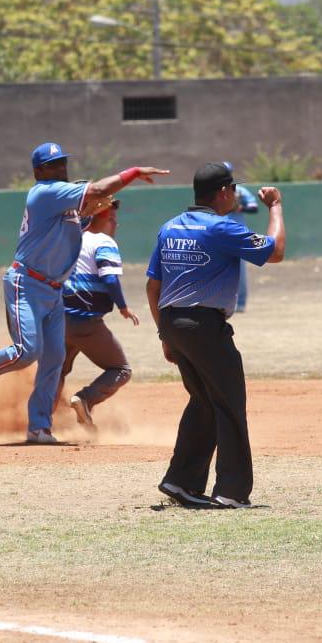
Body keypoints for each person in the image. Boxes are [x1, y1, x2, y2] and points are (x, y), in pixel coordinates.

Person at [0, 144, 168, 444]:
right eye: (53, 164)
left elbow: (83, 213)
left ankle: (39, 427)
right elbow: (95, 191)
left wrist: (90, 209)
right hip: (26, 283)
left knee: (54, 358)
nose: (60, 168)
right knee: (26, 351)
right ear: (39, 171)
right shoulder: (45, 192)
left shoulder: (64, 208)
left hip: (54, 291)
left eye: (63, 163)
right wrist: (131, 173)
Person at [145, 162, 285, 509]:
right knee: (229, 404)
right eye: (233, 189)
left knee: (204, 401)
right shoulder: (222, 228)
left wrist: (164, 332)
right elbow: (276, 251)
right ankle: (232, 492)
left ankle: (181, 481)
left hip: (174, 322)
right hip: (204, 326)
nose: (235, 195)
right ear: (223, 192)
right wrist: (276, 207)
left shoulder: (170, 227)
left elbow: (152, 285)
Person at [55, 198, 137, 432]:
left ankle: (41, 421)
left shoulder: (69, 240)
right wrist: (122, 306)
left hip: (58, 319)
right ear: (103, 219)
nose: (115, 225)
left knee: (58, 370)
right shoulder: (103, 241)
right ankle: (86, 399)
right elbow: (109, 277)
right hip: (86, 323)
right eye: (113, 220)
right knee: (121, 369)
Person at [224, 163, 260, 313]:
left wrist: (241, 208)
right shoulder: (212, 192)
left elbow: (254, 207)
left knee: (239, 269)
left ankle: (241, 302)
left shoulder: (240, 190)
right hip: (218, 233)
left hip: (237, 232)